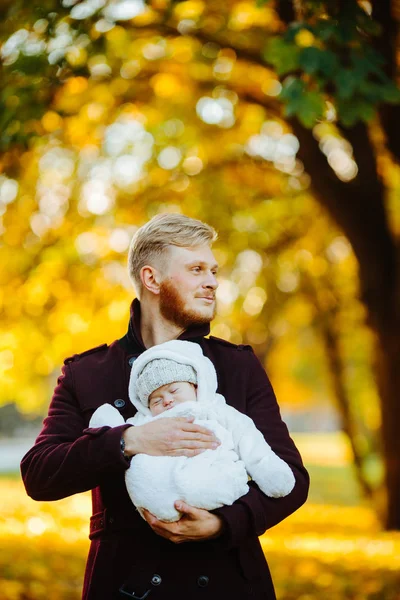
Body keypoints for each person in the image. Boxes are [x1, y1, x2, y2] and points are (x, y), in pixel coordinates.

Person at [21, 213, 309, 600]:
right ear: (151, 279)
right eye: (196, 269)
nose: (212, 282)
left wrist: (223, 523)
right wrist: (130, 440)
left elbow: (291, 478)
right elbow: (38, 474)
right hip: (124, 584)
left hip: (228, 582)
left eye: (213, 270)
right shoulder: (87, 373)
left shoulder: (237, 365)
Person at [89, 339, 296, 521]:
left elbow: (248, 439)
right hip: (159, 495)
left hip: (213, 480)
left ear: (195, 387)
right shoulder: (146, 422)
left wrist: (267, 470)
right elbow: (122, 434)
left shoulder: (214, 410)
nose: (168, 400)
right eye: (157, 400)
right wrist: (116, 431)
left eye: (174, 390)